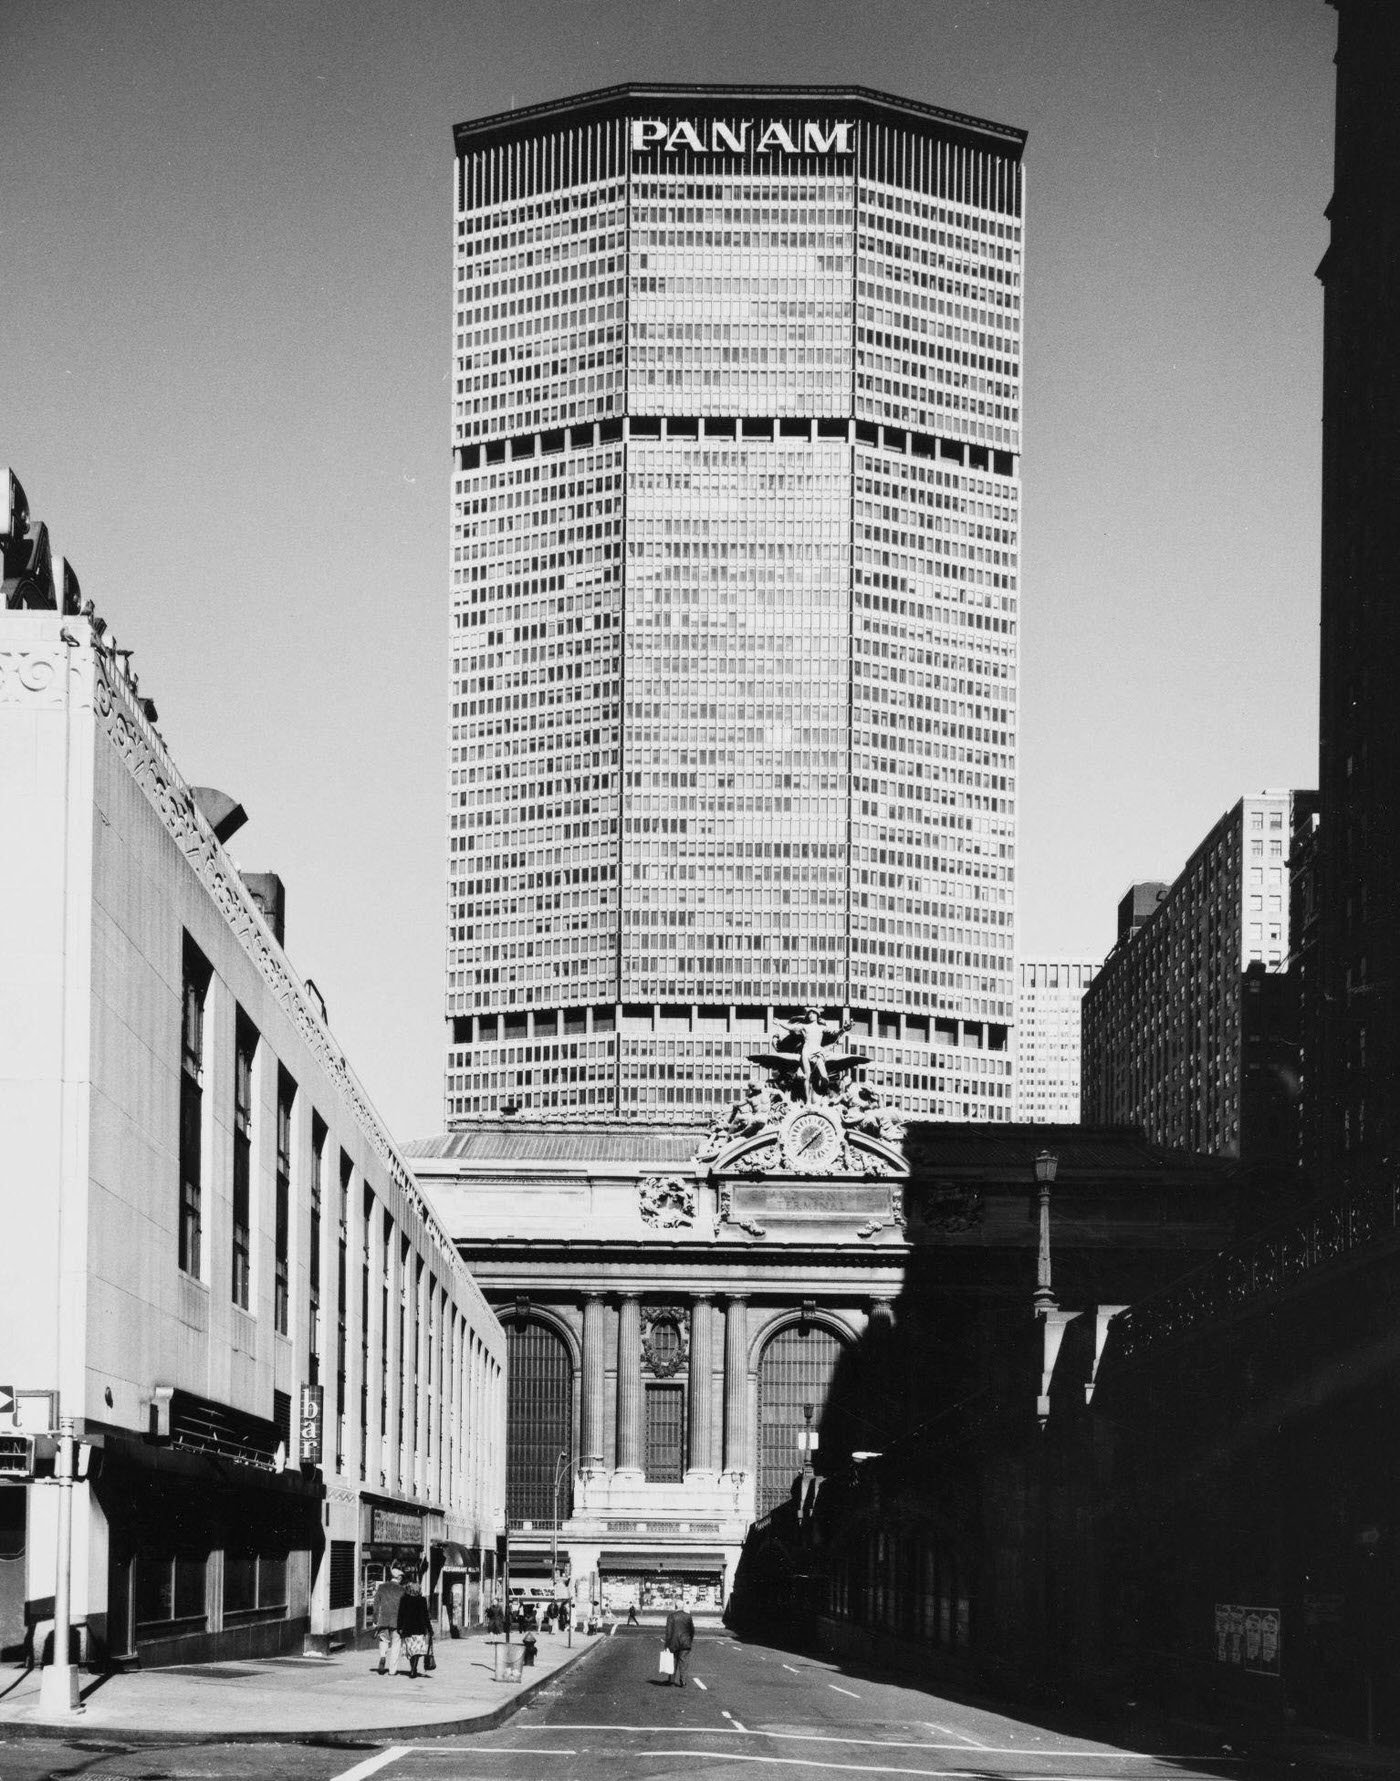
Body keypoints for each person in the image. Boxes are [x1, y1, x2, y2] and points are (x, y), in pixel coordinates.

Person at [397, 1576, 434, 1679]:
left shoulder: (404, 1599)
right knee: (417, 1650)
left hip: (407, 1628)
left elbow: (400, 1614)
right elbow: (426, 1616)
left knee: (410, 1650)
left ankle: (412, 1668)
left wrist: (399, 1627)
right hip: (419, 1629)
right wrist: (430, 1629)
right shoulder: (422, 1600)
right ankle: (414, 1668)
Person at [372, 1567, 405, 1676]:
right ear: (399, 1578)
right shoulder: (402, 1590)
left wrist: (375, 1619)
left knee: (383, 1640)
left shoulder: (382, 1587)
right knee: (396, 1644)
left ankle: (382, 1656)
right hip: (397, 1621)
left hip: (383, 1620)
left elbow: (376, 1604)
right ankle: (392, 1670)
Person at [663, 1605, 695, 1687]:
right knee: (683, 1662)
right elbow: (692, 1630)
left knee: (673, 1661)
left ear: (676, 1606)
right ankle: (683, 1681)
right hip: (685, 1642)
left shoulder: (671, 1616)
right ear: (682, 1607)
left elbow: (669, 1632)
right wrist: (689, 1640)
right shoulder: (688, 1616)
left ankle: (671, 1681)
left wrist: (667, 1644)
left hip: (674, 1642)